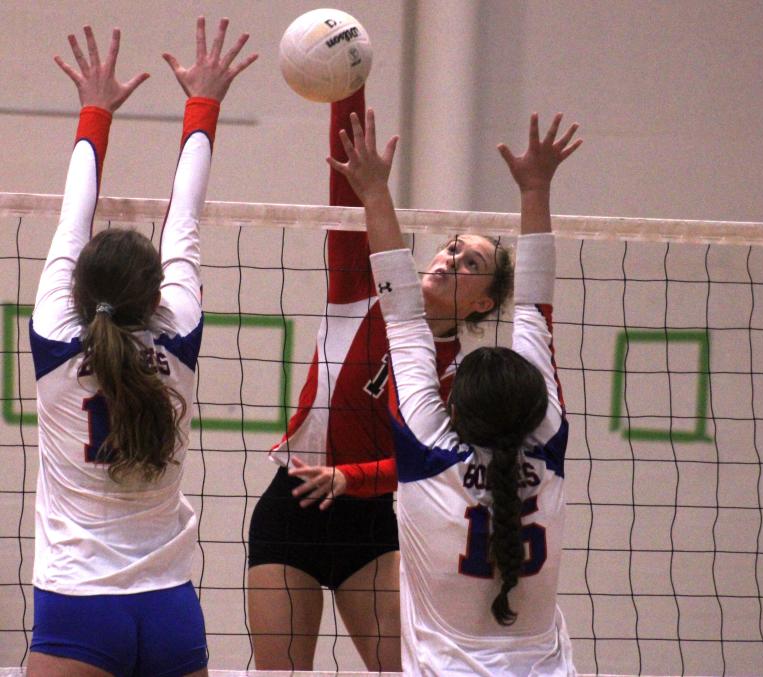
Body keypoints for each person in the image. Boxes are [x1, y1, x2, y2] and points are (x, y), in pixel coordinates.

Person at [246, 88, 514, 671]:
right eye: (450, 249)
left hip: (369, 524)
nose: (448, 261)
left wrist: (352, 478)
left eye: (471, 265)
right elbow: (346, 207)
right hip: (291, 503)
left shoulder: (459, 378)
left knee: (402, 671)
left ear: (482, 303)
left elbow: (428, 465)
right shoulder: (360, 294)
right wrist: (348, 83)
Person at [27, 18, 256, 677]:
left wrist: (95, 110)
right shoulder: (177, 333)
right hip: (170, 612)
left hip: (77, 605)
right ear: (157, 292)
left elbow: (75, 213)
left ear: (76, 284)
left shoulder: (56, 335)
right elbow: (184, 216)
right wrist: (203, 103)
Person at [328, 107, 581, 675]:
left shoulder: (431, 454)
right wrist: (537, 190)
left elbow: (402, 314)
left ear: (455, 404)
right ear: (535, 404)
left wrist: (372, 193)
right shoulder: (546, 444)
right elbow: (535, 310)